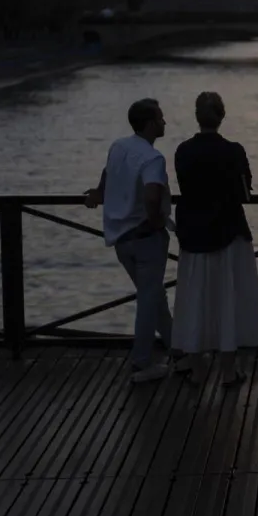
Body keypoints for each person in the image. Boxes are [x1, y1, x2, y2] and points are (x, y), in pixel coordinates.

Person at [172, 91, 258, 387]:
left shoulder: (183, 151)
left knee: (195, 299)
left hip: (193, 233)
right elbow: (245, 193)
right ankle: (228, 371)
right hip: (228, 231)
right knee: (228, 300)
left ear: (197, 117)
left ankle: (198, 369)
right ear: (222, 116)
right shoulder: (233, 151)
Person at [84, 97, 174, 383]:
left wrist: (99, 193)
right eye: (160, 118)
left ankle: (177, 347)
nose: (164, 122)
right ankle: (141, 363)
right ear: (150, 124)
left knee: (154, 295)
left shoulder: (119, 146)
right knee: (148, 300)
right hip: (147, 238)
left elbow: (107, 172)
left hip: (121, 240)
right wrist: (156, 221)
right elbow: (152, 194)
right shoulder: (153, 158)